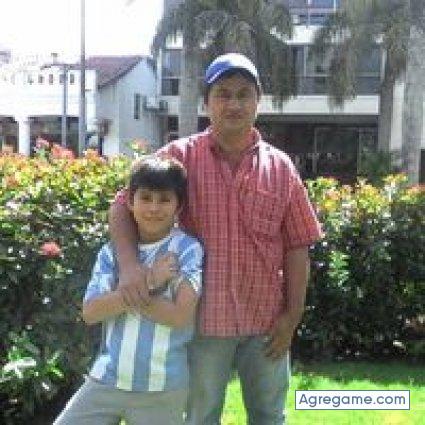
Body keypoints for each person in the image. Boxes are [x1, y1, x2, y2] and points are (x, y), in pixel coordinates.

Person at [109, 53, 322, 424]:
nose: (233, 104)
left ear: (258, 101)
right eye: (223, 94)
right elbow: (121, 207)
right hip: (202, 323)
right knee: (201, 417)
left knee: (270, 416)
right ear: (206, 102)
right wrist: (129, 267)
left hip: (266, 323)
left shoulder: (280, 167)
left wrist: (292, 316)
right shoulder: (179, 157)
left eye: (244, 94)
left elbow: (297, 246)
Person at [54, 156, 203, 425]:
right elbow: (91, 312)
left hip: (162, 387)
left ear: (179, 206)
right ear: (130, 203)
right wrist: (151, 282)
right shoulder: (111, 253)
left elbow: (180, 316)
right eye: (145, 198)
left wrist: (120, 298)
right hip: (107, 379)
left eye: (164, 200)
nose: (154, 208)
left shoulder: (186, 250)